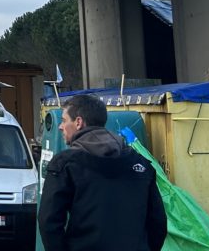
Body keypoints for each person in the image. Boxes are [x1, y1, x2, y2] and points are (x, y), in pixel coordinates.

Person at [38, 94, 167, 251]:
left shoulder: (65, 164)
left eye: (64, 120)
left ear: (78, 122)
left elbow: (49, 221)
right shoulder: (139, 163)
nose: (60, 126)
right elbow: (158, 222)